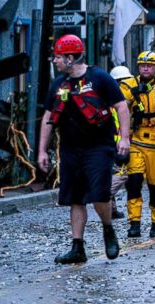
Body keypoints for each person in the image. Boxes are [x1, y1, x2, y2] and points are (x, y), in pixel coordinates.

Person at [38, 34, 128, 264]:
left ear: (70, 57)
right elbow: (48, 116)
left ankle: (108, 229)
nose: (55, 61)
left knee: (99, 195)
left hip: (99, 147)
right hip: (70, 149)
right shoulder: (59, 84)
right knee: (74, 198)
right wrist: (41, 151)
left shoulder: (99, 77)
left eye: (57, 57)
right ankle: (77, 247)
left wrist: (124, 138)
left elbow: (121, 106)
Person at [120, 50, 155, 239]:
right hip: (136, 140)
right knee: (134, 183)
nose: (145, 68)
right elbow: (118, 109)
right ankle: (134, 223)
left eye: (149, 66)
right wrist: (122, 139)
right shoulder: (129, 86)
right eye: (142, 65)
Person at [108, 65, 134, 220]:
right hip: (119, 144)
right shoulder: (118, 102)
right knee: (122, 174)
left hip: (117, 143)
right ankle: (104, 196)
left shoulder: (114, 100)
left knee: (115, 174)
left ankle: (111, 208)